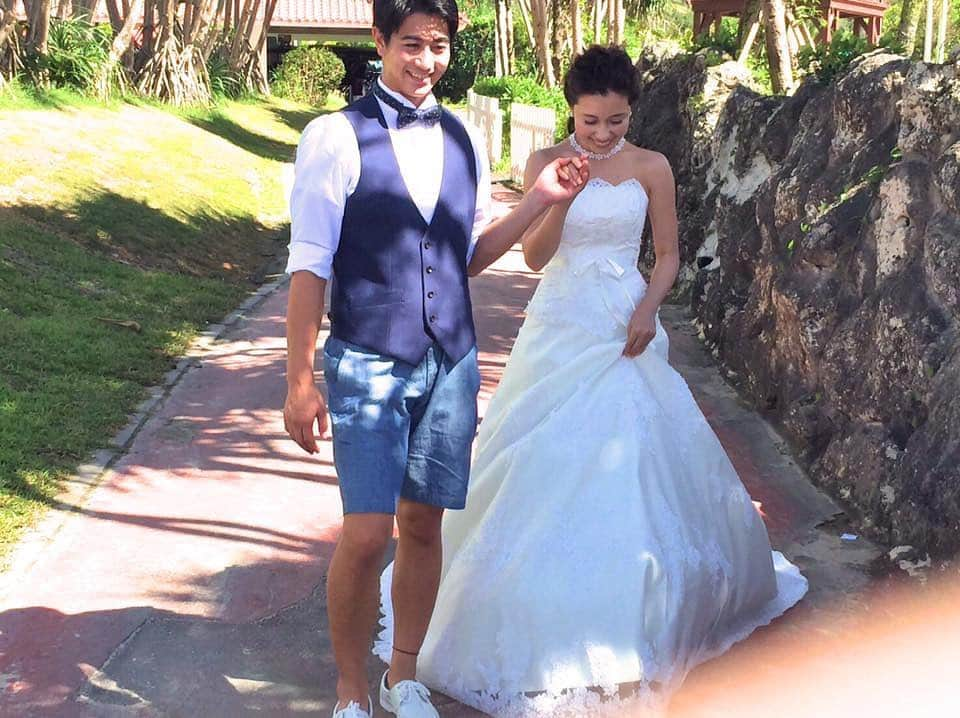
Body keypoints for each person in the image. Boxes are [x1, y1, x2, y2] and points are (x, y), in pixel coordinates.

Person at [374, 45, 808, 717]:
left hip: (623, 322)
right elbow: (536, 256)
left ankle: (631, 616)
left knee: (633, 455)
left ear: (631, 112)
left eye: (616, 120)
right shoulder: (546, 162)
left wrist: (646, 309)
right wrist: (557, 200)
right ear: (570, 110)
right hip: (561, 321)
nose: (604, 134)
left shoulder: (652, 166)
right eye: (590, 120)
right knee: (534, 453)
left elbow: (665, 255)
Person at [282, 2, 589, 717]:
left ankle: (402, 676)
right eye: (412, 44)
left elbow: (467, 255)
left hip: (450, 360)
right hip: (367, 359)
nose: (425, 60)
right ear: (380, 41)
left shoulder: (463, 138)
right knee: (364, 533)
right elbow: (309, 266)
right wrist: (299, 381)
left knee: (424, 524)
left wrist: (539, 199)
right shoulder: (334, 137)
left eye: (440, 45)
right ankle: (350, 691)